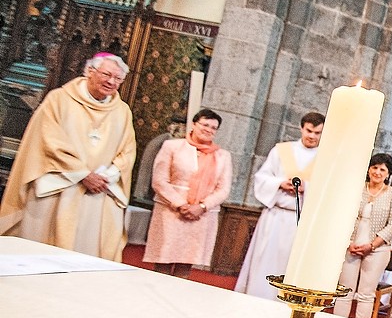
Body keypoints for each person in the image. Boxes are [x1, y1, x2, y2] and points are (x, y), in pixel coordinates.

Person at [0, 53, 136, 261]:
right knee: (42, 255)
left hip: (99, 189)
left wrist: (107, 175)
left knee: (85, 259)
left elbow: (127, 151)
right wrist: (82, 174)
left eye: (118, 78)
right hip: (59, 186)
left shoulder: (122, 111)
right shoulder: (59, 99)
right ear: (90, 71)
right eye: (106, 74)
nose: (111, 82)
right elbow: (48, 140)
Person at [234, 112, 324, 299]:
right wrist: (280, 183)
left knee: (291, 264)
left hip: (301, 220)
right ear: (301, 128)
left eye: (317, 133)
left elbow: (327, 189)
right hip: (275, 215)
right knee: (265, 260)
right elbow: (262, 177)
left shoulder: (325, 158)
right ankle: (257, 297)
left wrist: (306, 187)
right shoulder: (282, 151)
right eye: (309, 131)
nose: (312, 136)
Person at [142, 108, 233, 278]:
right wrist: (180, 204)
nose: (209, 130)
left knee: (186, 262)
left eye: (213, 128)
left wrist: (202, 206)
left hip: (202, 215)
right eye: (205, 125)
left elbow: (224, 189)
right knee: (164, 259)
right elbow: (160, 180)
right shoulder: (173, 146)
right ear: (194, 124)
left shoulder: (223, 156)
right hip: (171, 211)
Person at [332, 153, 392, 318]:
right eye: (375, 167)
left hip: (377, 249)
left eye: (382, 169)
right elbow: (343, 216)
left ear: (388, 174)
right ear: (369, 169)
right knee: (344, 291)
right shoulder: (357, 188)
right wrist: (349, 243)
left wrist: (371, 245)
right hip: (351, 246)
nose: (377, 172)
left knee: (366, 293)